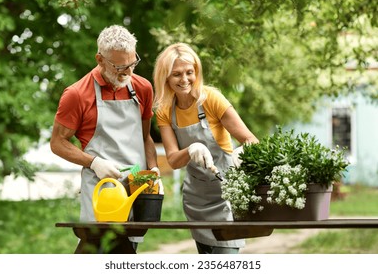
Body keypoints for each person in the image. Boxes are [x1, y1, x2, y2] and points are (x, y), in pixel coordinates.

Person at [50, 25, 159, 252]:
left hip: (135, 186)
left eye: (132, 64)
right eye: (120, 67)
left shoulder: (143, 88)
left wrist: (154, 169)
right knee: (99, 246)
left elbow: (145, 137)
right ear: (100, 59)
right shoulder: (77, 94)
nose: (128, 73)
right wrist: (93, 162)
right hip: (102, 188)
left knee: (124, 249)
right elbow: (58, 143)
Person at [153, 43, 259, 254]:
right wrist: (191, 149)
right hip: (197, 199)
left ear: (196, 72)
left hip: (226, 196)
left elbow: (250, 140)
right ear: (165, 77)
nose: (184, 80)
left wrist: (241, 154)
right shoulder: (165, 110)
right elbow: (173, 160)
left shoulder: (211, 99)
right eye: (176, 74)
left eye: (189, 72)